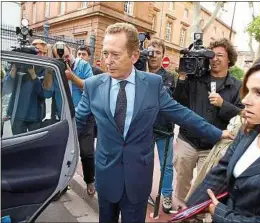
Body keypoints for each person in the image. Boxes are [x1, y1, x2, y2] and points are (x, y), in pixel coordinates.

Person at [75, 22, 233, 223]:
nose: (108, 61)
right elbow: (78, 123)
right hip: (107, 175)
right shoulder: (93, 85)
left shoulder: (152, 83)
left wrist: (218, 133)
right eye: (105, 53)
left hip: (138, 178)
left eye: (115, 55)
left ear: (134, 56)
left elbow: (181, 114)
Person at [186, 54, 260, 223]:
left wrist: (221, 215)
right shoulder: (248, 132)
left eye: (259, 93)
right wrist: (187, 212)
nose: (245, 100)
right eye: (248, 90)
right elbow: (220, 173)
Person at [173, 38, 244, 202]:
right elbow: (178, 103)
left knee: (205, 186)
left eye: (220, 55)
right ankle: (181, 212)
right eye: (212, 55)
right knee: (182, 182)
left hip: (214, 145)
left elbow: (242, 115)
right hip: (188, 141)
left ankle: (196, 213)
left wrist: (223, 104)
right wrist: (182, 78)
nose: (215, 59)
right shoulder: (196, 79)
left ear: (229, 60)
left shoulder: (237, 86)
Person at [44, 42, 95, 196]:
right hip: (64, 119)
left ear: (71, 52)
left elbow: (90, 87)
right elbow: (47, 93)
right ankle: (63, 185)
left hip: (85, 118)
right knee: (65, 154)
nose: (64, 59)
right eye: (60, 57)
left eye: (66, 56)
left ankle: (90, 180)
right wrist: (49, 71)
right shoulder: (54, 68)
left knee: (86, 153)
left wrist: (72, 77)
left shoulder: (83, 66)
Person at [147, 39, 175, 213]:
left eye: (158, 52)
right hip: (144, 129)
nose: (154, 56)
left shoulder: (169, 77)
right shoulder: (138, 72)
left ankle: (166, 194)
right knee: (144, 163)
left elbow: (167, 101)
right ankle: (143, 191)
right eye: (151, 52)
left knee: (167, 165)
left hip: (164, 128)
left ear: (163, 55)